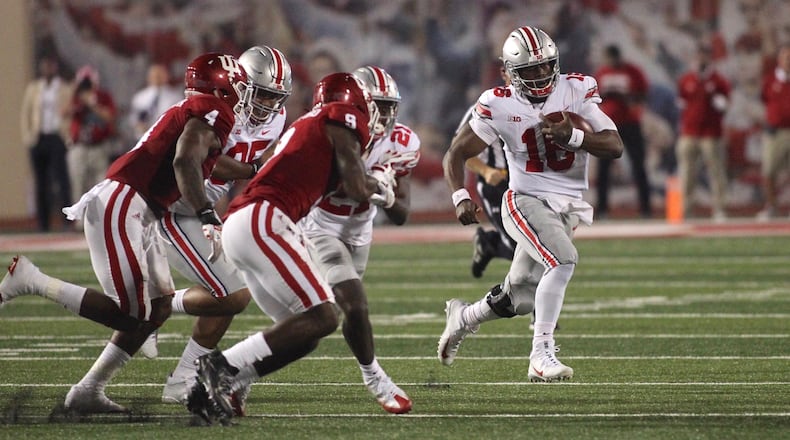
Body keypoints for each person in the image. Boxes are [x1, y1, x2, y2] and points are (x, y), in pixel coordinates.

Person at [0, 52, 250, 413]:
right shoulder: (212, 110)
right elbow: (185, 160)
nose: (240, 94)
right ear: (221, 87)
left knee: (159, 307)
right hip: (125, 203)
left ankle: (88, 391)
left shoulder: (196, 112)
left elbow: (205, 158)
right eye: (236, 85)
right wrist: (207, 214)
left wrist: (252, 166)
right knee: (131, 315)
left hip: (141, 207)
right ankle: (32, 280)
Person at [184, 72, 381, 424]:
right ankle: (221, 366)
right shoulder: (343, 119)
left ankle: (213, 388)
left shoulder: (311, 127)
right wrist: (379, 185)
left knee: (303, 333)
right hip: (264, 217)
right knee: (324, 315)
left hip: (247, 221)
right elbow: (355, 188)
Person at [438, 26, 623, 382]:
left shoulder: (576, 88)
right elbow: (456, 152)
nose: (539, 76)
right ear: (510, 71)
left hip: (566, 206)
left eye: (544, 67)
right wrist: (461, 195)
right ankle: (541, 354)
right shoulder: (498, 102)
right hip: (524, 199)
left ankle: (463, 317)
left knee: (519, 296)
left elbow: (614, 145)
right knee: (564, 260)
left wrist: (575, 136)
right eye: (529, 70)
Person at [159, 46, 292, 417]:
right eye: (262, 93)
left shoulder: (275, 119)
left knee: (235, 290)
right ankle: (156, 310)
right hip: (174, 206)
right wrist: (253, 173)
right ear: (239, 85)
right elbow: (207, 164)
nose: (268, 104)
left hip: (204, 209)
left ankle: (183, 375)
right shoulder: (212, 109)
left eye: (275, 96)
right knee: (234, 291)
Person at [299, 66, 418, 414]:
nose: (386, 115)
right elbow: (344, 186)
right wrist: (371, 182)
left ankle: (237, 374)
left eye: (389, 106)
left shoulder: (402, 142)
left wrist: (390, 195)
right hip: (320, 227)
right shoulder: (333, 131)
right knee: (354, 303)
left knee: (313, 323)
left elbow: (402, 216)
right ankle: (376, 378)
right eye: (377, 105)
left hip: (359, 234)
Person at [675, 43, 731, 222]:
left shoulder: (718, 80)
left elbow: (726, 104)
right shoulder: (687, 79)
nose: (701, 59)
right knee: (687, 173)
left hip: (711, 134)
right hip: (689, 132)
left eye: (704, 56)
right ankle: (686, 209)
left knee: (716, 172)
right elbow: (681, 102)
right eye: (699, 55)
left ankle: (719, 209)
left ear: (710, 57)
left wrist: (721, 104)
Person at [594, 45, 651, 218]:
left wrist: (627, 97)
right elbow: (595, 96)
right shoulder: (602, 73)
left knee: (638, 164)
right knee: (603, 167)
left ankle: (645, 209)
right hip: (608, 124)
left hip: (630, 123)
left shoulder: (632, 71)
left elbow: (643, 95)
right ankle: (602, 209)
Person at [20, 56, 73, 232]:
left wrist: (67, 135)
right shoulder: (34, 88)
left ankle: (66, 221)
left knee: (61, 180)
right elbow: (26, 113)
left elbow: (71, 112)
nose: (48, 68)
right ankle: (43, 223)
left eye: (51, 65)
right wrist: (28, 136)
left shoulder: (65, 88)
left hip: (57, 137)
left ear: (56, 67)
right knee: (41, 182)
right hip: (39, 137)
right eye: (45, 65)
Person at [66, 65, 118, 210]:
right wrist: (77, 98)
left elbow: (110, 117)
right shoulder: (75, 97)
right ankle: (79, 220)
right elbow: (64, 112)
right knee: (78, 183)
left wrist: (93, 103)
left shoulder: (103, 96)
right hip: (79, 146)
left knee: (100, 185)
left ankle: (99, 219)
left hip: (98, 146)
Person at [756, 44, 790, 220]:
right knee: (769, 171)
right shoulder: (770, 80)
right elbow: (764, 100)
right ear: (779, 59)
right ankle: (771, 207)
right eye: (786, 57)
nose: (788, 61)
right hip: (776, 133)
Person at [128, 63, 182, 139]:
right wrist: (139, 125)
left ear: (166, 76)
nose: (157, 78)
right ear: (149, 77)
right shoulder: (139, 98)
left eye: (159, 75)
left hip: (167, 139)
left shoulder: (176, 97)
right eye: (154, 75)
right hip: (144, 139)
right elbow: (134, 118)